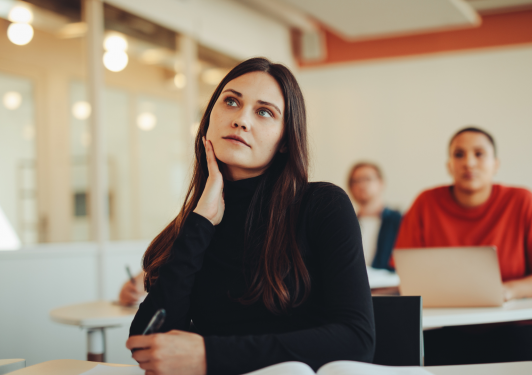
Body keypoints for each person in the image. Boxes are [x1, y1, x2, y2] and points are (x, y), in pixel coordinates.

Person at [125, 58, 375, 375]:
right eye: (231, 101)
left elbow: (357, 340)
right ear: (208, 119)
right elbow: (147, 342)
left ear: (285, 140)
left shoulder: (322, 204)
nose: (241, 120)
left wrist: (209, 355)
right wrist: (200, 221)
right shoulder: (199, 222)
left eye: (264, 112)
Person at [393, 127, 532, 366]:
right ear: (448, 165)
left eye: (479, 154)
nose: (469, 163)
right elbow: (408, 279)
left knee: (527, 352)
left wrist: (507, 291)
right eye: (459, 154)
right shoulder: (425, 204)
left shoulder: (523, 202)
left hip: (515, 325)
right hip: (444, 327)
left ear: (496, 164)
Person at [347, 162, 401, 271]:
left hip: (388, 285)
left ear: (381, 183)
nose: (361, 185)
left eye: (367, 179)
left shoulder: (399, 221)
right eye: (355, 181)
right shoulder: (345, 224)